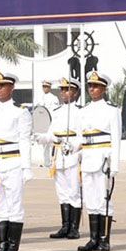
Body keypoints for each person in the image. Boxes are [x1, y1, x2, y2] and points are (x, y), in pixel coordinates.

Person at [0, 72, 33, 251]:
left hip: (13, 161)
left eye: (3, 86)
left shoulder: (20, 111)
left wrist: (26, 167)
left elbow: (24, 140)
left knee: (14, 206)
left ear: (12, 88)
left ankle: (13, 248)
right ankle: (2, 246)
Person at [77, 71, 121, 251]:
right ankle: (93, 238)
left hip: (103, 158)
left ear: (104, 89)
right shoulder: (83, 111)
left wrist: (115, 165)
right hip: (87, 158)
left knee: (104, 200)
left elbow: (116, 140)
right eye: (90, 86)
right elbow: (80, 138)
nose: (92, 89)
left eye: (96, 86)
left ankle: (104, 238)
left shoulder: (112, 111)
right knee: (91, 200)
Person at [42, 77, 83, 240]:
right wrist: (41, 137)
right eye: (62, 90)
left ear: (76, 92)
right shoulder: (57, 112)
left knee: (74, 191)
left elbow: (82, 135)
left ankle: (74, 227)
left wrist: (76, 149)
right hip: (58, 155)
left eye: (68, 90)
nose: (64, 93)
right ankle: (65, 226)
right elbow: (51, 134)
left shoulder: (80, 111)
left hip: (72, 154)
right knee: (62, 192)